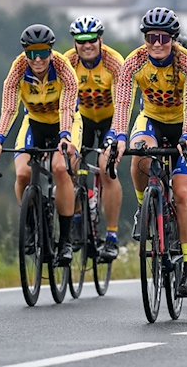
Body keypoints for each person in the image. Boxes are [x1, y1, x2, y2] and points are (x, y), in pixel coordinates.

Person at [108, 7, 187, 297]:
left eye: (164, 37)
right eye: (151, 37)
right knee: (139, 156)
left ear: (174, 39)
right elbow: (123, 104)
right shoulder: (134, 62)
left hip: (184, 124)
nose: (157, 43)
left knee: (184, 192)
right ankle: (143, 208)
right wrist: (119, 137)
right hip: (151, 120)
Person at [0, 24, 80, 266]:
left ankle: (67, 240)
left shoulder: (63, 69)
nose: (37, 59)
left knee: (60, 168)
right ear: (25, 53)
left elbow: (68, 106)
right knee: (23, 173)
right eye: (31, 53)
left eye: (42, 53)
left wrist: (65, 136)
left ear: (51, 51)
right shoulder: (18, 68)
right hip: (35, 122)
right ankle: (30, 223)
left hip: (65, 122)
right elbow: (9, 109)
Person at [63, 16, 125, 261]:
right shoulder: (68, 62)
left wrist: (114, 136)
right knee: (69, 164)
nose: (87, 45)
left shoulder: (114, 62)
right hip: (84, 119)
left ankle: (111, 235)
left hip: (111, 118)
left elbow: (122, 104)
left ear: (101, 40)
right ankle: (78, 215)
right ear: (75, 43)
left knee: (106, 169)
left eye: (91, 40)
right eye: (81, 41)